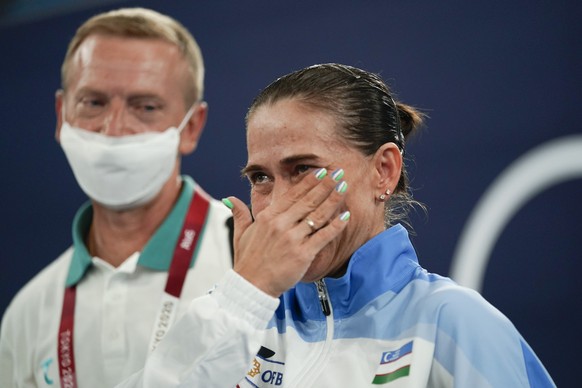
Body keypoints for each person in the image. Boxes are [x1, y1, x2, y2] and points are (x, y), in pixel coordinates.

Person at [117, 63, 556, 387]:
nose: (279, 205)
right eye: (261, 178)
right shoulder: (230, 319)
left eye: (304, 169)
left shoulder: (452, 322)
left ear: (383, 171)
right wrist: (244, 295)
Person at [0, 8, 234, 388]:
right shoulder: (29, 312)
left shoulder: (253, 260)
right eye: (93, 102)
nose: (114, 129)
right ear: (62, 115)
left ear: (190, 127)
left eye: (145, 107)